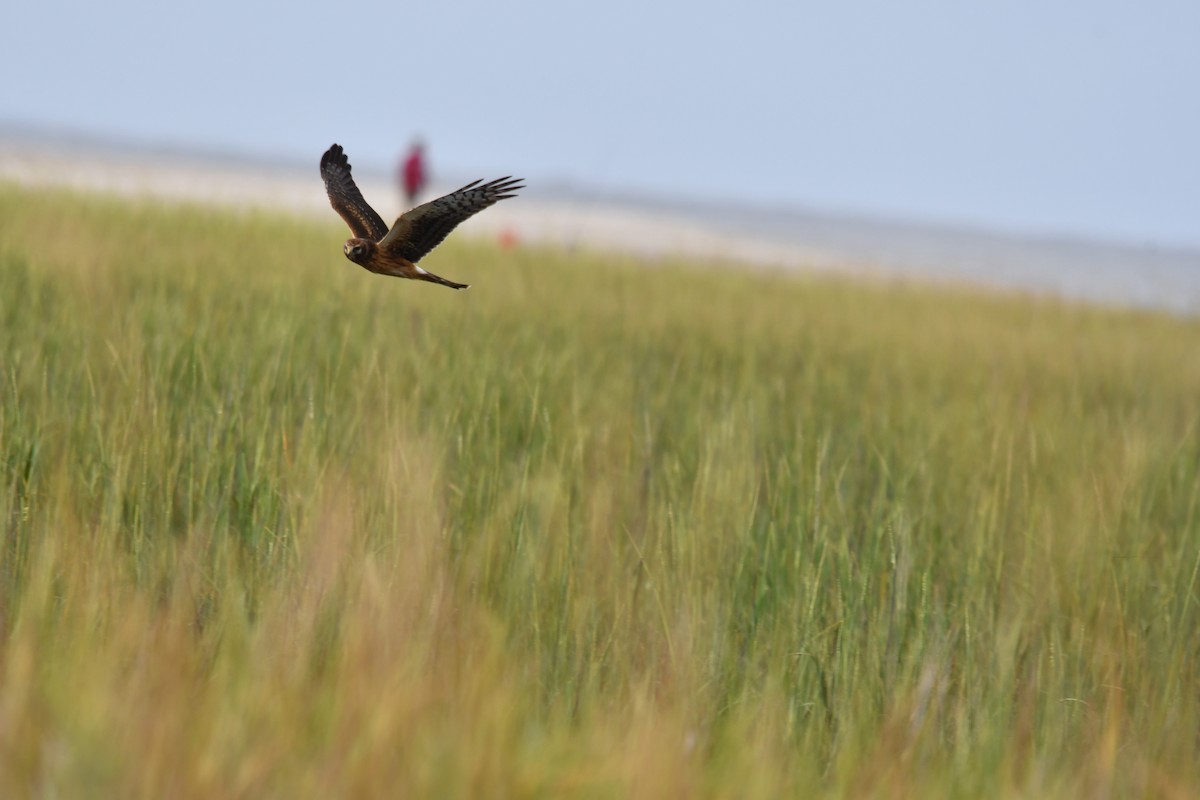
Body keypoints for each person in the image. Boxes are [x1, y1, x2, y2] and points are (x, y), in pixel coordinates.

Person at [399, 139, 427, 207]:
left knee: (409, 202)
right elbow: (418, 173)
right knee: (410, 202)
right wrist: (422, 183)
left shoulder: (411, 158)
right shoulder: (416, 159)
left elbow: (405, 171)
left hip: (410, 184)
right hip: (412, 184)